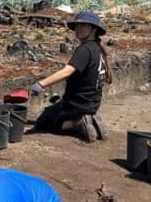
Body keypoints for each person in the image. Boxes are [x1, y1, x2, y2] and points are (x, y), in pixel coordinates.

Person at [31, 10, 112, 141]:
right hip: (92, 104)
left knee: (43, 121)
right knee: (55, 103)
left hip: (77, 105)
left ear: (93, 29)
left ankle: (77, 123)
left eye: (84, 26)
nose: (78, 29)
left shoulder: (85, 50)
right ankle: (90, 118)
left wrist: (41, 84)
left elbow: (66, 71)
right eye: (77, 26)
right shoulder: (97, 48)